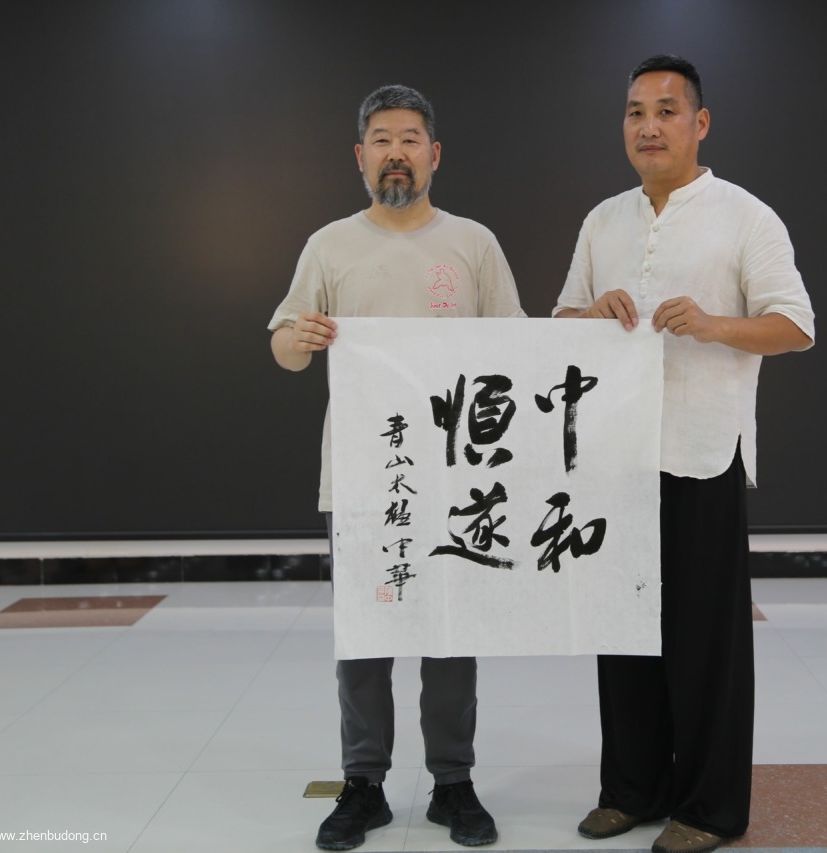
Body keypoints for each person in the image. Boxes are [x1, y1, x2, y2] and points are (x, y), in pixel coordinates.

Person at [553, 55, 816, 853]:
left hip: (703, 449)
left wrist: (713, 324)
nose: (649, 126)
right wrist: (589, 315)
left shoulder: (745, 217)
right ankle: (631, 789)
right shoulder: (603, 221)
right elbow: (559, 320)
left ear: (700, 124)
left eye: (667, 111)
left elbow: (796, 325)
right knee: (622, 628)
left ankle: (708, 806)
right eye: (635, 111)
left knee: (705, 641)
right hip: (615, 455)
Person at [268, 84, 524, 850]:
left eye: (410, 139)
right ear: (360, 156)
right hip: (361, 474)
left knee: (450, 636)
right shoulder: (329, 244)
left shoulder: (473, 243)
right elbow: (282, 345)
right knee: (364, 637)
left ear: (434, 154)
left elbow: (516, 347)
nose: (396, 153)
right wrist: (298, 340)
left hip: (452, 474)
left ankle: (453, 781)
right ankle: (363, 783)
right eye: (381, 139)